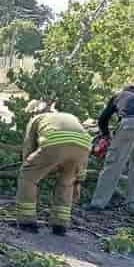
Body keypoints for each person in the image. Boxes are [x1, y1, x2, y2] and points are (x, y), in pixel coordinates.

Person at [14, 100, 92, 235]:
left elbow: (29, 148)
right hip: (83, 147)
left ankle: (27, 221)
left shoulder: (36, 119)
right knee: (66, 183)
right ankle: (60, 225)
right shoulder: (70, 117)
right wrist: (79, 180)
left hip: (55, 143)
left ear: (34, 112)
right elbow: (81, 157)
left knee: (27, 177)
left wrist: (31, 167)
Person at [87, 85, 134, 212]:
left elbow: (103, 119)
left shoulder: (119, 96)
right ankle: (131, 206)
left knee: (114, 163)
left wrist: (106, 135)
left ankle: (98, 203)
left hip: (130, 123)